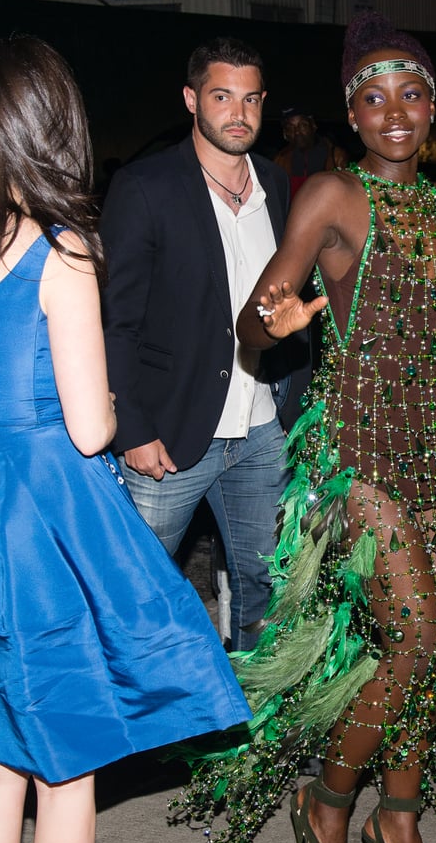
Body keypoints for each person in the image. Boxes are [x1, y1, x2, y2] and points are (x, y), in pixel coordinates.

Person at [168, 11, 436, 843]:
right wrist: (271, 322)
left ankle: (400, 815)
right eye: (374, 97)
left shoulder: (432, 202)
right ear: (352, 114)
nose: (395, 112)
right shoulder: (331, 197)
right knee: (416, 637)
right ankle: (329, 800)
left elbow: (428, 341)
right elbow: (254, 321)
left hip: (433, 453)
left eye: (411, 94)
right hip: (356, 458)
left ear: (432, 107)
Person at [0, 34, 252, 843]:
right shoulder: (61, 252)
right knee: (66, 771)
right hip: (40, 530)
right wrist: (106, 394)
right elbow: (89, 429)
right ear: (53, 130)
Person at [100, 36, 311, 653]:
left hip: (262, 425)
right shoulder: (146, 187)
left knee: (266, 585)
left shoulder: (275, 182)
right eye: (222, 97)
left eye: (250, 99)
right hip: (169, 433)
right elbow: (117, 322)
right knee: (136, 592)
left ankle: (252, 727)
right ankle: (134, 734)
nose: (237, 113)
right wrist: (130, 428)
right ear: (193, 99)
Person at [273, 105, 350, 198]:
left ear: (313, 125)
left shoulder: (336, 156)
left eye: (302, 125)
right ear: (285, 134)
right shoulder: (280, 160)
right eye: (290, 128)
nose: (297, 132)